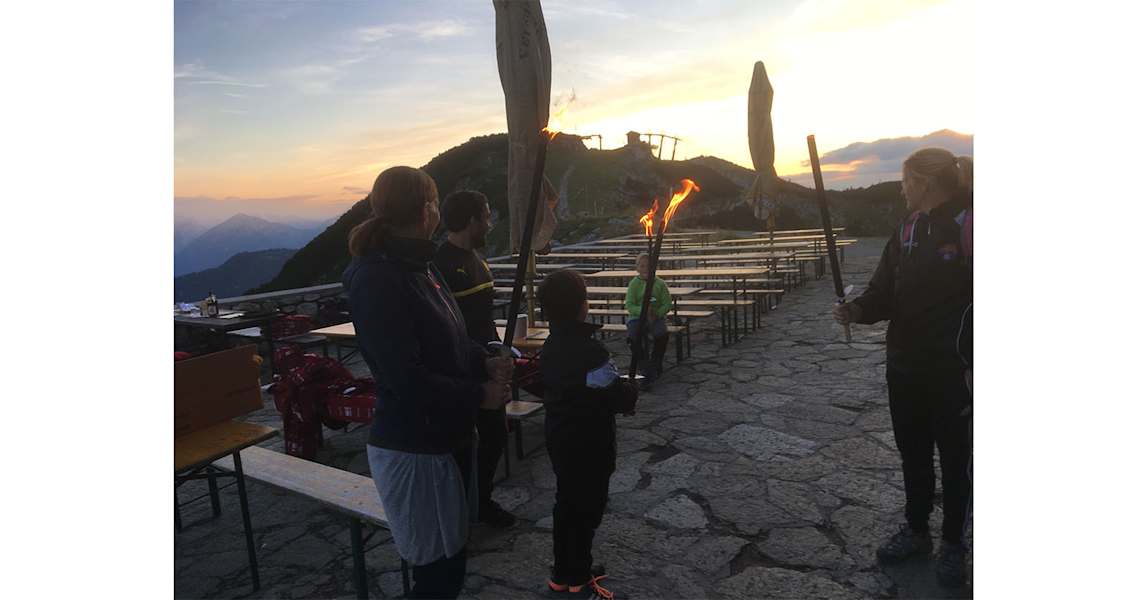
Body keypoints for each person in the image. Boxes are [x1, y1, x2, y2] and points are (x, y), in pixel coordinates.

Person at [342, 166, 513, 599]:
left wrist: (484, 361)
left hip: (446, 435)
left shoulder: (419, 265)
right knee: (436, 576)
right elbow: (405, 377)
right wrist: (480, 394)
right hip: (415, 444)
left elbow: (452, 339)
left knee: (451, 561)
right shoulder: (378, 277)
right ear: (427, 209)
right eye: (435, 200)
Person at [832, 147, 973, 588]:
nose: (901, 187)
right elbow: (883, 292)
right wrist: (856, 310)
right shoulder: (907, 228)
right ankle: (915, 529)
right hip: (905, 366)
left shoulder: (973, 225)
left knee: (956, 458)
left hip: (956, 370)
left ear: (926, 183)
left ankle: (953, 543)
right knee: (912, 450)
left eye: (906, 179)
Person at [537, 270, 638, 599]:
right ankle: (578, 580)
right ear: (583, 306)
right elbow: (614, 396)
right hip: (590, 443)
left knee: (566, 504)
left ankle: (563, 572)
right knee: (587, 509)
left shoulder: (550, 345)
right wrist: (629, 390)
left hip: (560, 439)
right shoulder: (590, 352)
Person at [433, 189, 518, 529]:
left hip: (489, 363)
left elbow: (483, 320)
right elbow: (444, 327)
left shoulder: (478, 261)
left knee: (495, 435)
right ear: (471, 220)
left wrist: (498, 353)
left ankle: (482, 501)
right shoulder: (440, 266)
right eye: (486, 215)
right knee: (461, 443)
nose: (490, 222)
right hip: (461, 369)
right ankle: (460, 509)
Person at [624, 253, 672, 388]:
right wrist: (643, 311)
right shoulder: (634, 284)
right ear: (637, 268)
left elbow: (667, 303)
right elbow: (629, 304)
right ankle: (643, 365)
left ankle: (656, 361)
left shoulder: (660, 283)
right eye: (642, 265)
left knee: (662, 334)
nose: (645, 268)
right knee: (634, 335)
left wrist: (657, 313)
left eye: (649, 265)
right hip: (637, 318)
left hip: (656, 317)